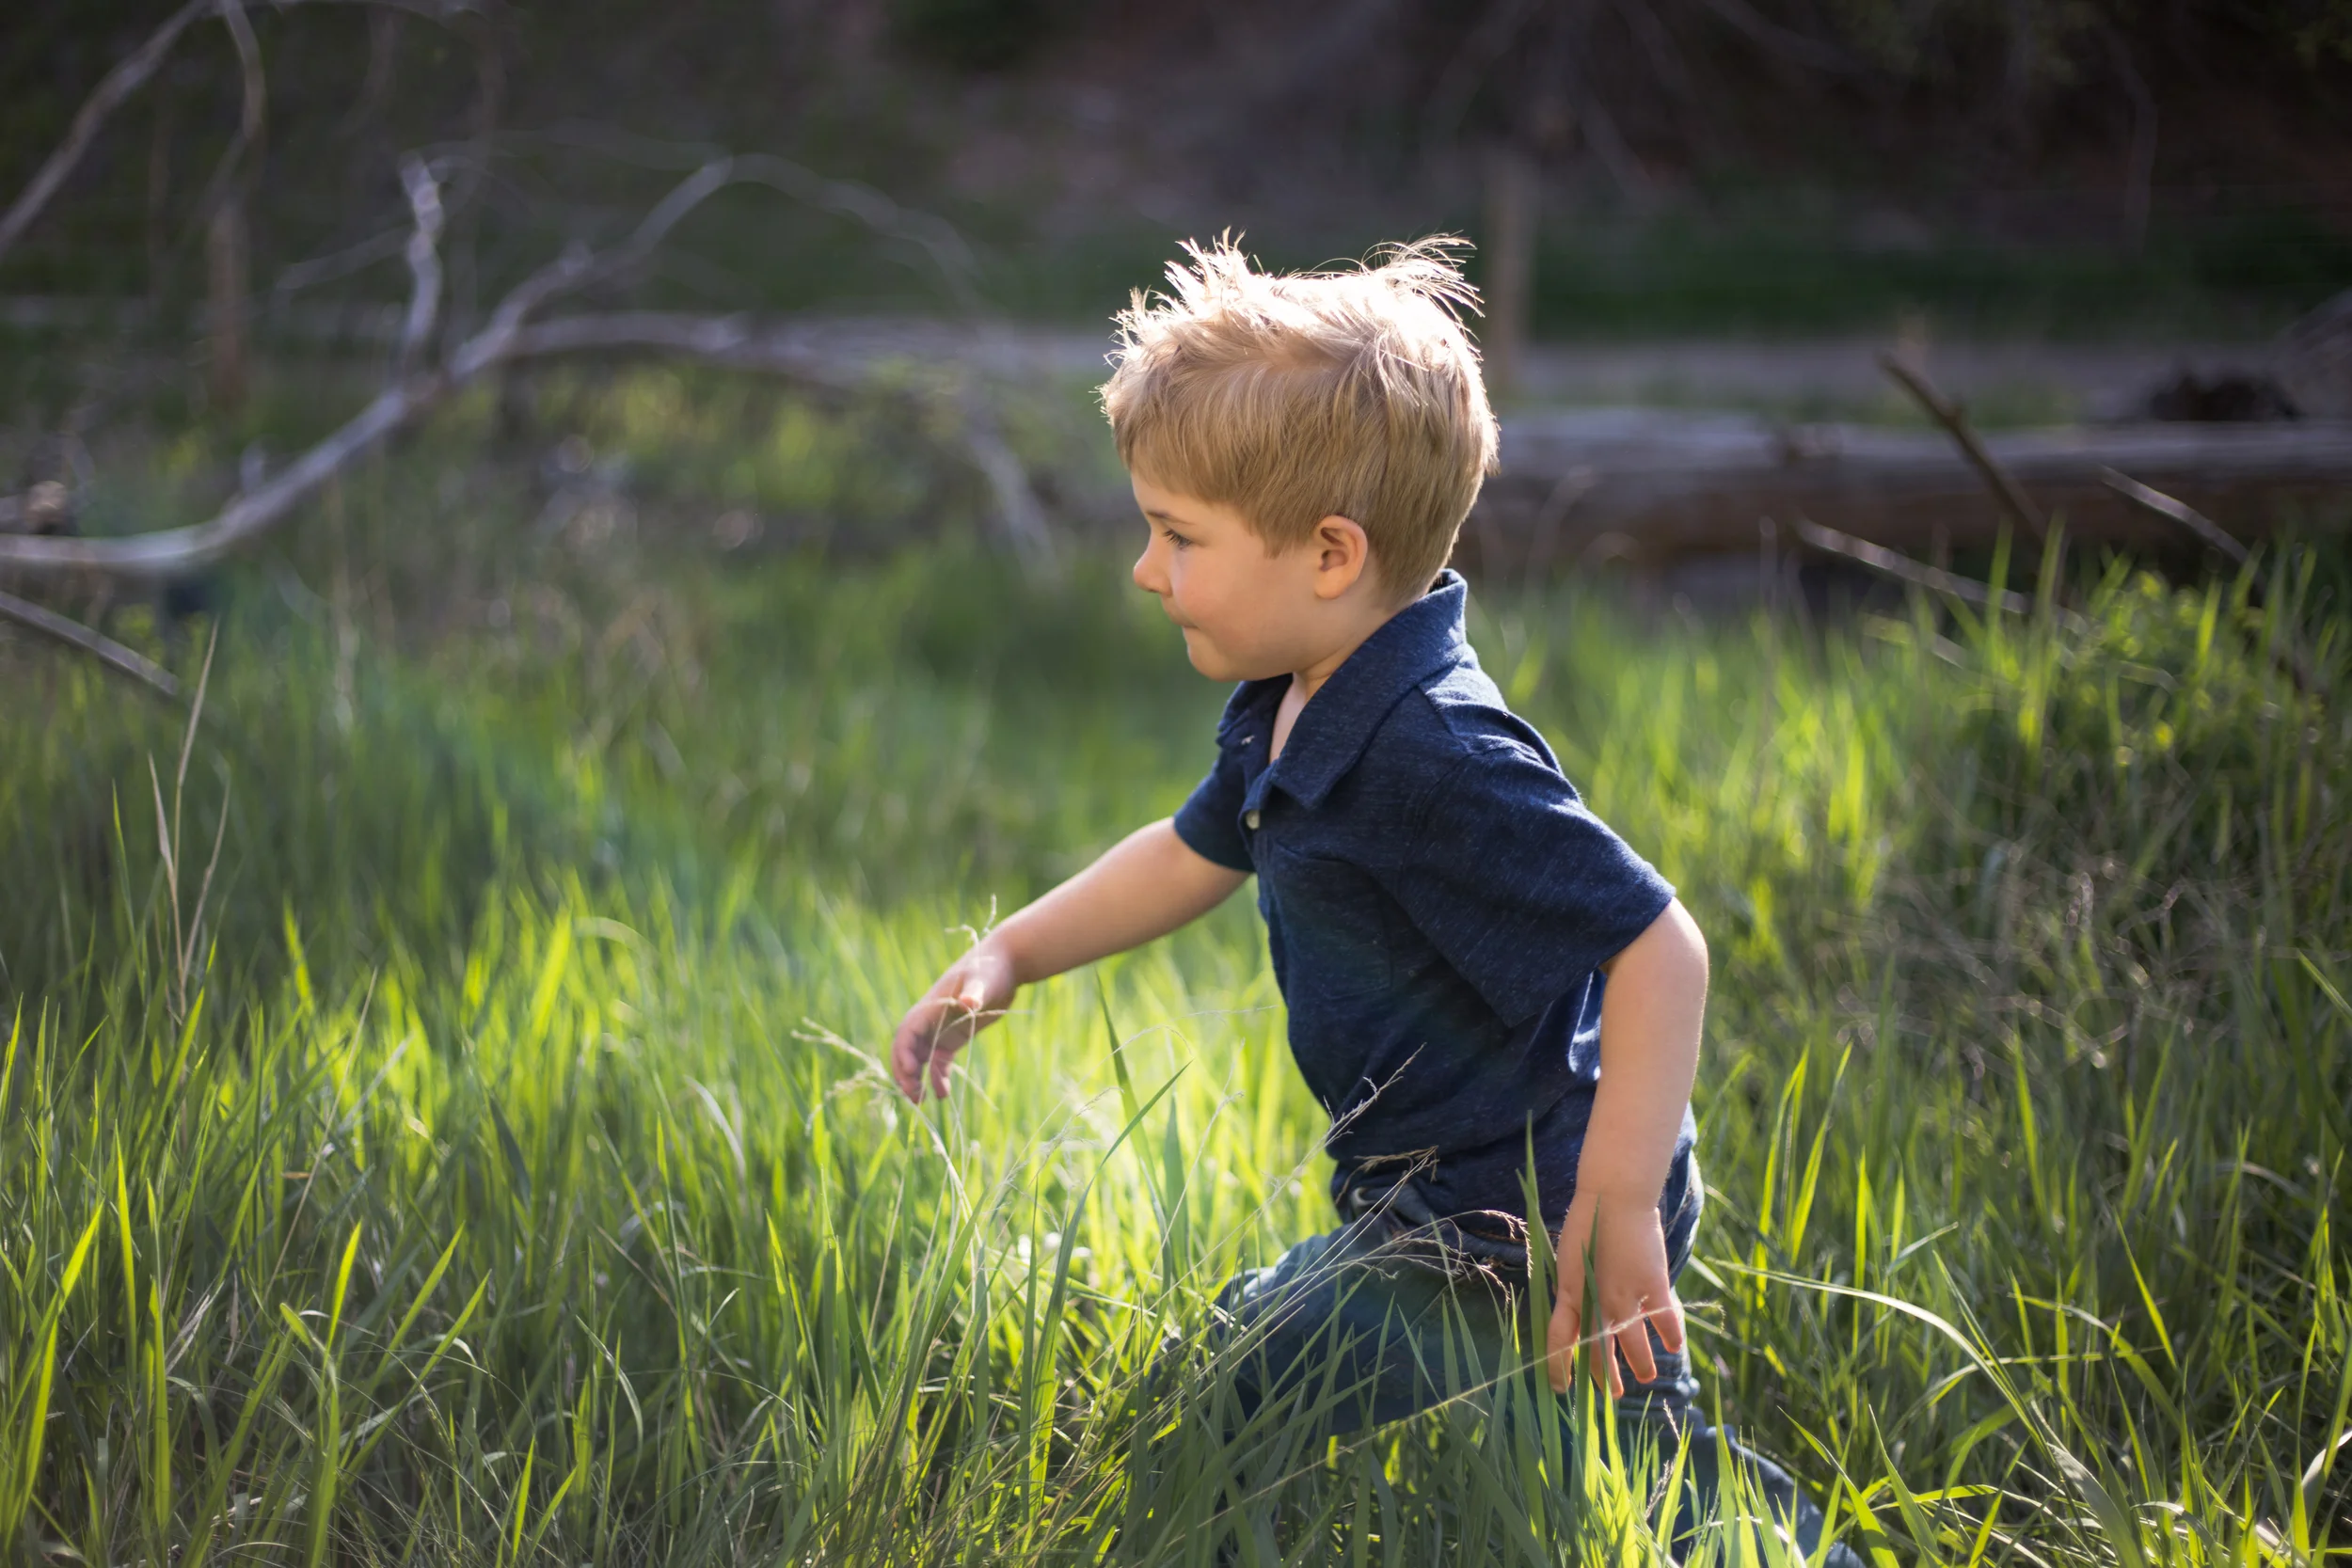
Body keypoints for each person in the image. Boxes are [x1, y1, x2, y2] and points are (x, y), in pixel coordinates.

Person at [888, 237, 1854, 1563]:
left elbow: (1657, 944)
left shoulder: (1430, 748)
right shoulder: (1297, 705)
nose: (1143, 567)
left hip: (1528, 1206)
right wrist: (1011, 951)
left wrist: (1620, 1201)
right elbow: (1188, 850)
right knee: (1283, 1390)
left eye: (1177, 535)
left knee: (1612, 1475)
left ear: (1330, 554)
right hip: (1424, 1191)